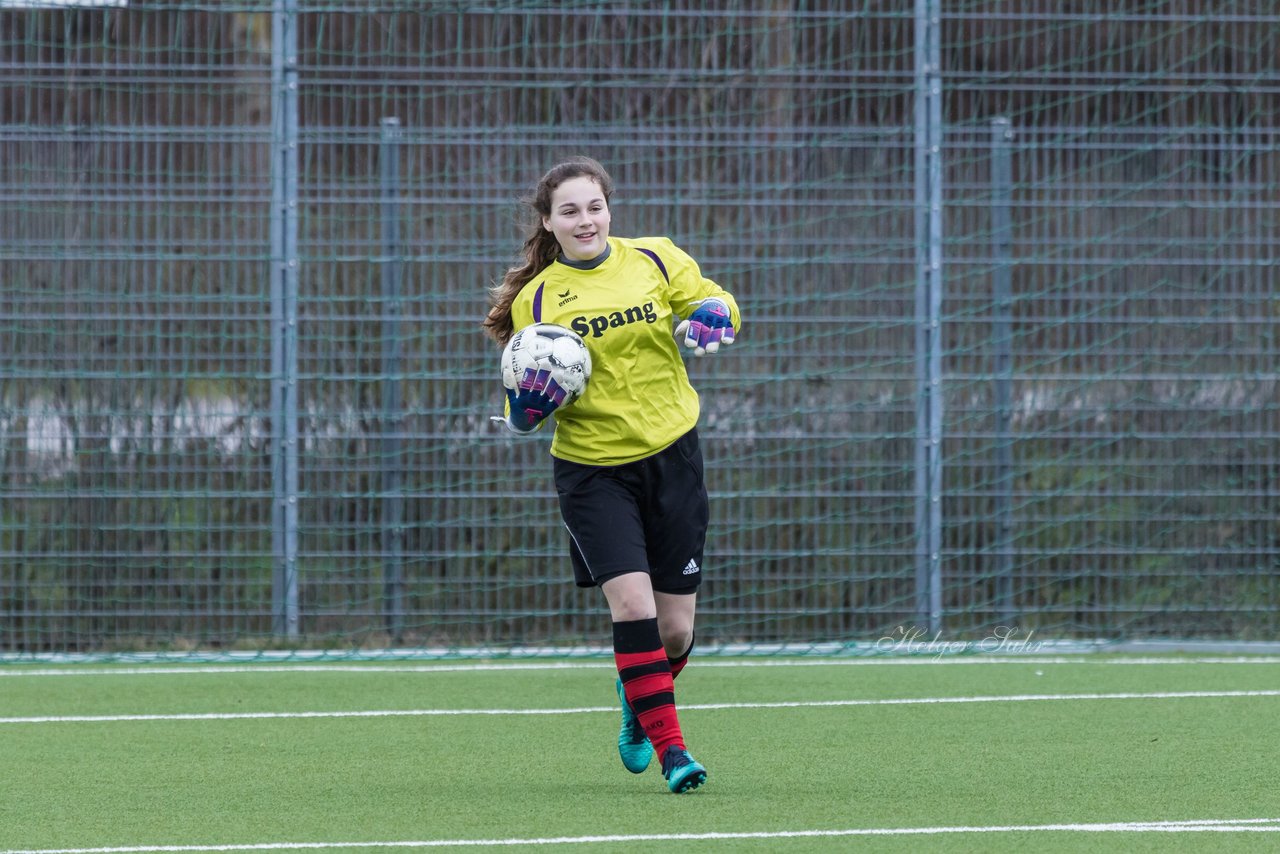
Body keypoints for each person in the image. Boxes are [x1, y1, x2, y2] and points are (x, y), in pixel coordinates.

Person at [482, 156, 740, 794]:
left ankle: (638, 695)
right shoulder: (538, 299)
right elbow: (527, 403)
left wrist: (714, 316)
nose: (584, 219)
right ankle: (674, 752)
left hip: (671, 455)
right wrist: (524, 411)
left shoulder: (653, 259)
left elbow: (716, 300)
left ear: (609, 209)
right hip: (593, 471)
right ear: (549, 222)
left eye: (593, 206)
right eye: (568, 210)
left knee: (677, 629)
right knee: (634, 605)